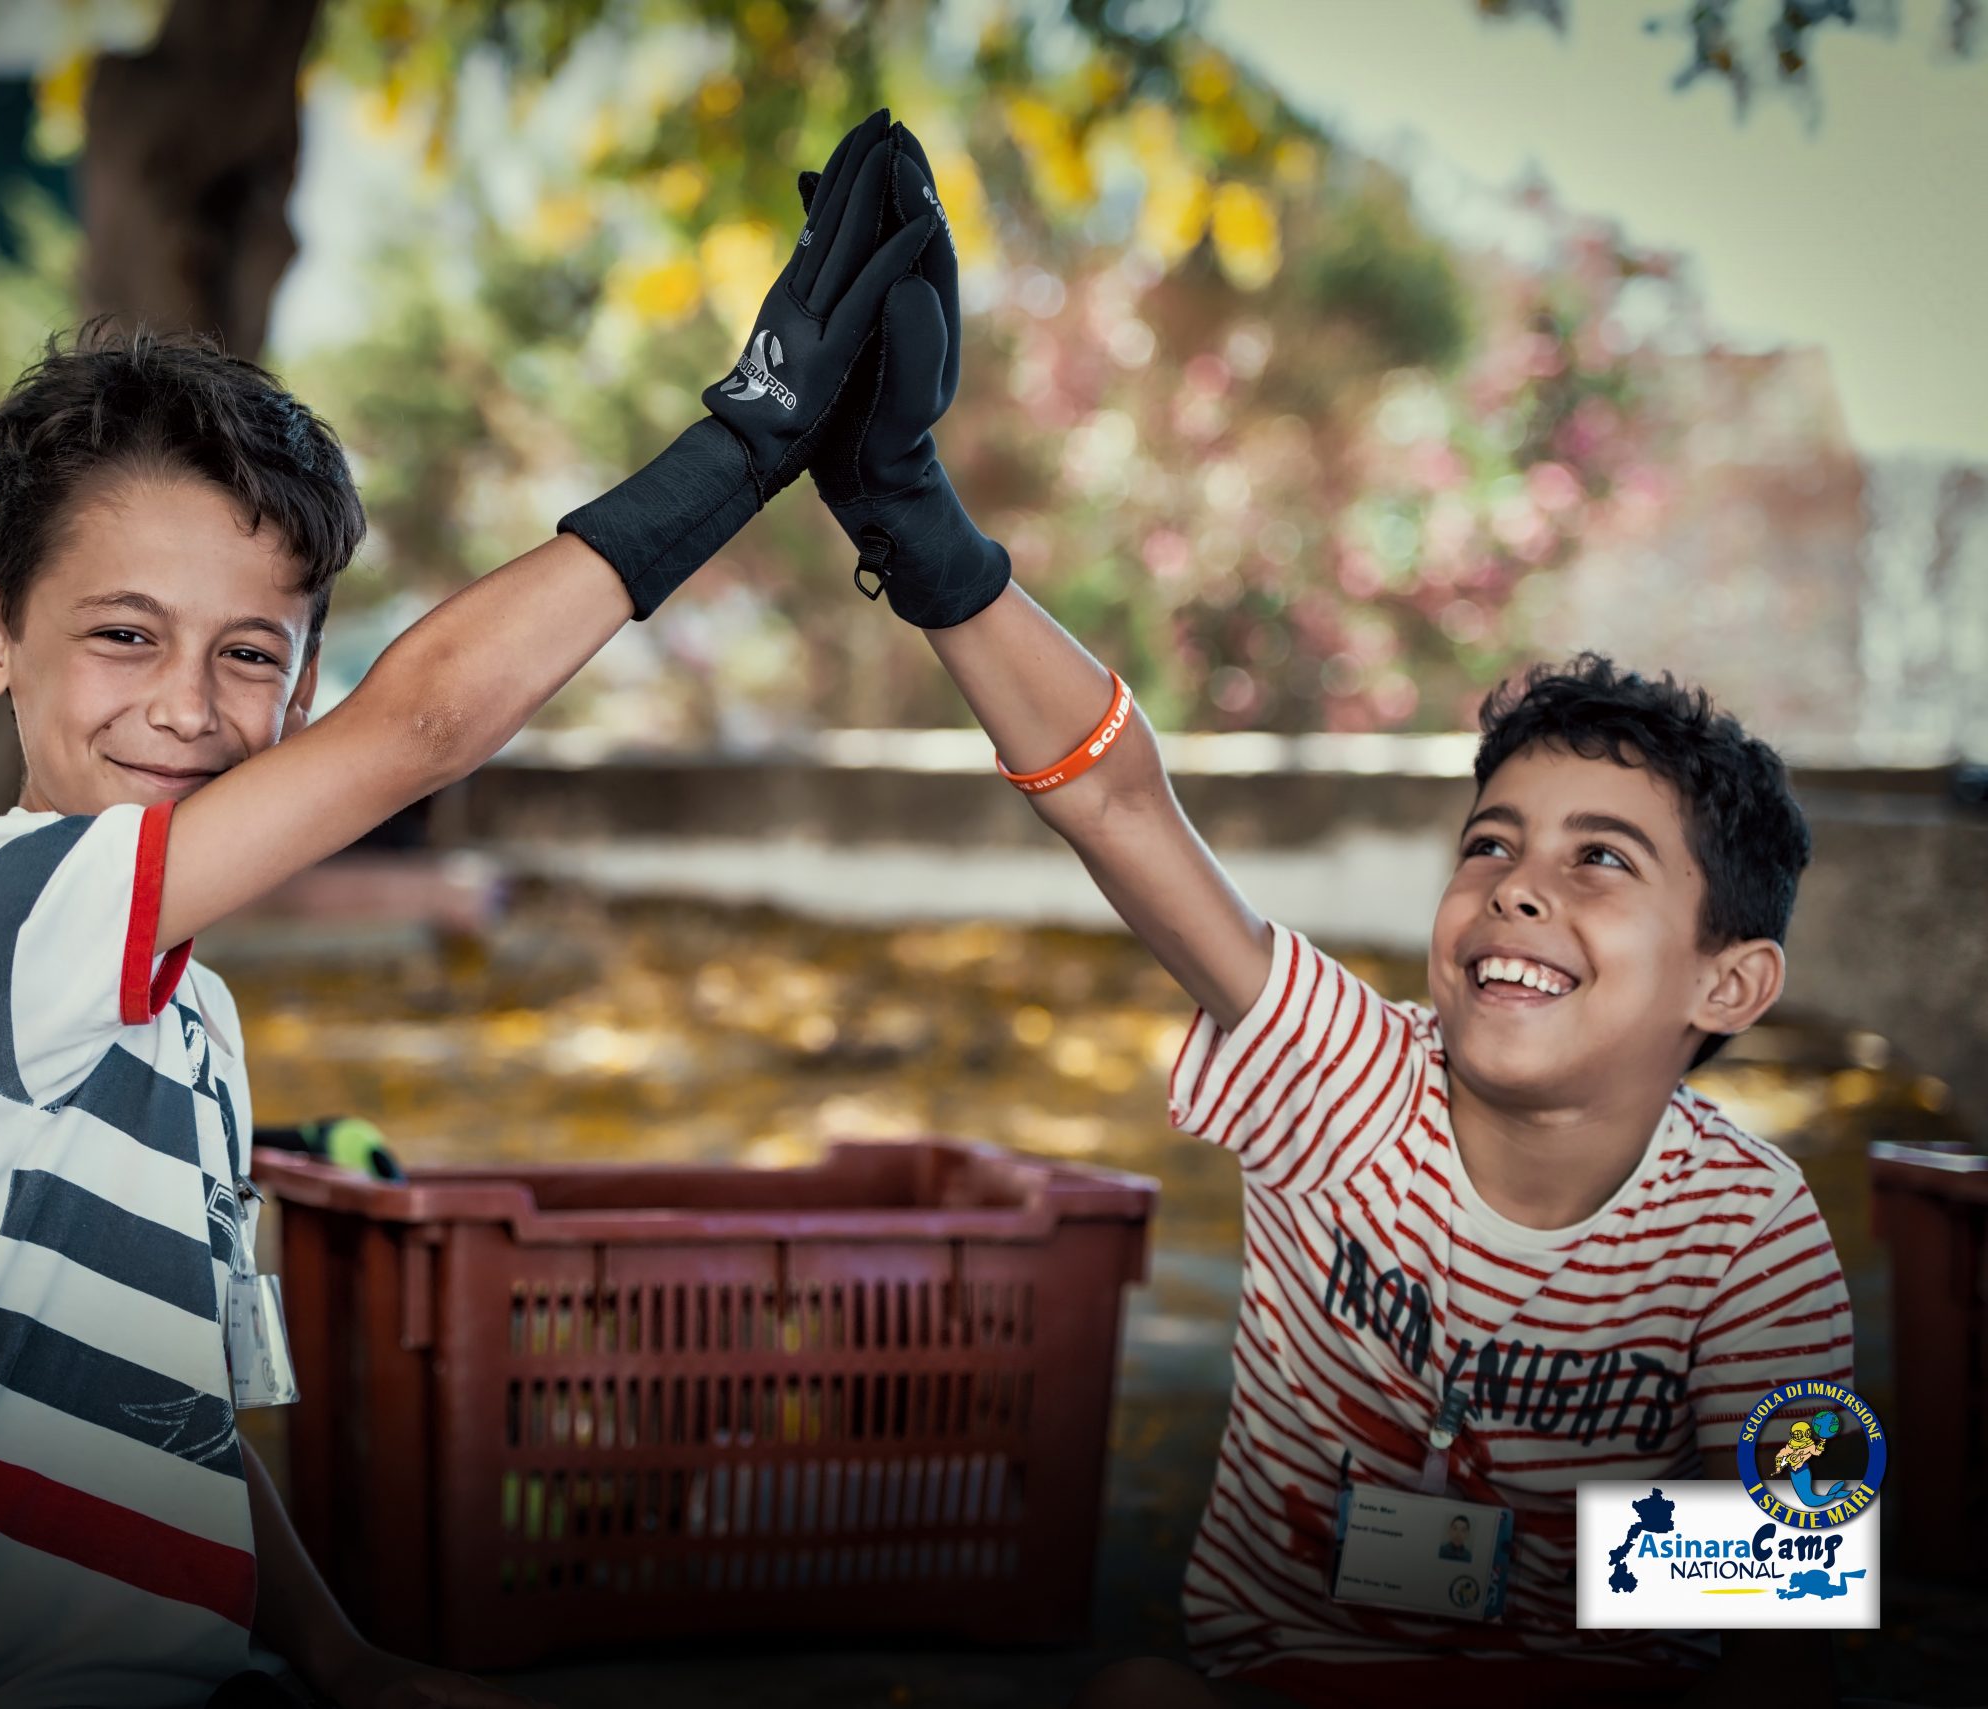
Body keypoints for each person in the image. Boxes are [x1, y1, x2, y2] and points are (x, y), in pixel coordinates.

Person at [0, 112, 939, 1709]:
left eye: (248, 655)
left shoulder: (199, 1024)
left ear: (294, 689)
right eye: (123, 635)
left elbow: (181, 1424)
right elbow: (419, 729)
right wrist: (748, 443)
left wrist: (346, 1659)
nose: (184, 705)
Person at [794, 129, 1856, 1709]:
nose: (1519, 883)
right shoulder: (1341, 1078)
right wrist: (914, 519)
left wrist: (1525, 1592)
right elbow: (1119, 802)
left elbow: (1811, 1567)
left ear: (1733, 975)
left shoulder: (1751, 1237)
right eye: (1494, 839)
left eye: (1603, 862)